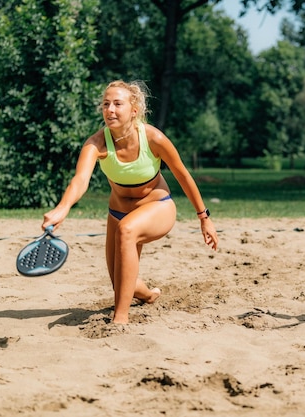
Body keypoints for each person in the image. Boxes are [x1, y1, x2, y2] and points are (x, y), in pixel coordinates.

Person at [42, 80, 218, 325]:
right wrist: (62, 208)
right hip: (118, 211)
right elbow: (80, 180)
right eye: (105, 104)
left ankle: (120, 319)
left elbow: (183, 175)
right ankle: (148, 294)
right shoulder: (96, 144)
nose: (110, 109)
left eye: (117, 104)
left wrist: (204, 218)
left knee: (128, 230)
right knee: (121, 281)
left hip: (158, 206)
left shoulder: (153, 137)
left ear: (134, 110)